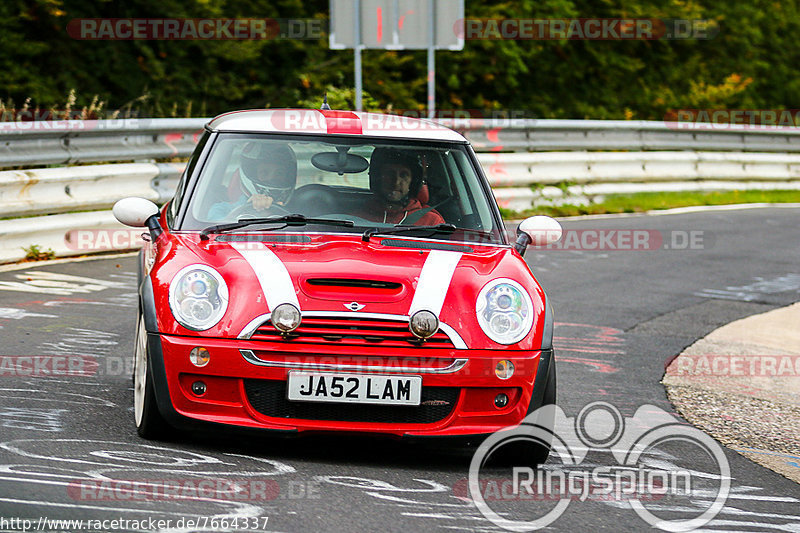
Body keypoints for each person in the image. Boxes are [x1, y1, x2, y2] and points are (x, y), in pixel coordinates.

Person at [207, 142, 297, 221]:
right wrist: (248, 210)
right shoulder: (221, 210)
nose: (272, 178)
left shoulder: (298, 212)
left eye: (279, 173)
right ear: (251, 174)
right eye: (264, 173)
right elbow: (214, 233)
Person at [357, 148, 444, 225]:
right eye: (389, 174)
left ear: (413, 182)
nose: (396, 182)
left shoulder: (432, 222)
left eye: (404, 175)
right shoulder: (356, 220)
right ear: (378, 178)